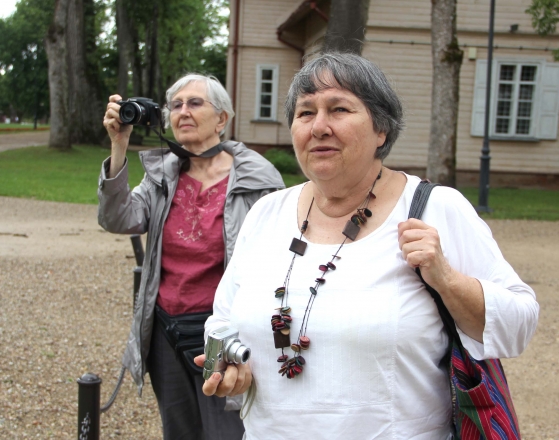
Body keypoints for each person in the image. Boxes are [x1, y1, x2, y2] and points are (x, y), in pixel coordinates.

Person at [197, 53, 539, 438]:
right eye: (305, 113)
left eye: (339, 109)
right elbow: (223, 318)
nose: (320, 127)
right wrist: (229, 364)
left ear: (381, 129)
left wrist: (447, 279)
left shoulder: (434, 209)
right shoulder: (266, 214)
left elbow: (518, 325)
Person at [98, 74, 284, 440]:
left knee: (227, 432)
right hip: (165, 329)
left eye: (195, 103)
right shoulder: (163, 173)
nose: (183, 111)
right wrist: (119, 146)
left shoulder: (257, 179)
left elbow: (277, 265)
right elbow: (119, 218)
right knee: (179, 431)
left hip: (223, 332)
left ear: (222, 119)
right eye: (177, 105)